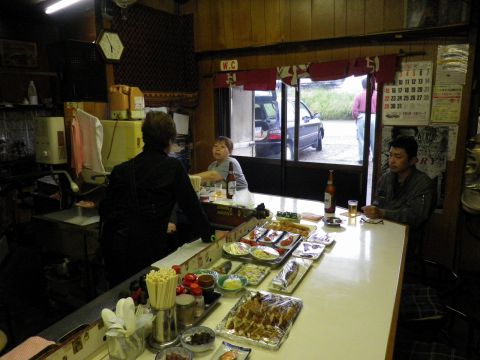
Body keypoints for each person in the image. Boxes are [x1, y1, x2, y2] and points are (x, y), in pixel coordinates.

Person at [99, 111, 214, 286]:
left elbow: (105, 209)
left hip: (117, 250)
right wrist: (210, 237)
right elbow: (192, 209)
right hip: (149, 252)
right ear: (170, 140)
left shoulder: (121, 169)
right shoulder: (173, 167)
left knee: (121, 304)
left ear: (144, 137)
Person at [362, 136, 435, 255]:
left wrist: (382, 213)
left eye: (398, 157)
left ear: (413, 160)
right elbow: (378, 203)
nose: (392, 160)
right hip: (383, 230)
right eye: (390, 155)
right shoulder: (386, 178)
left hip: (407, 236)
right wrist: (372, 210)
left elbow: (415, 217)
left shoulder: (424, 184)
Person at [352, 77, 377, 164]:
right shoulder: (377, 94)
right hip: (374, 117)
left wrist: (356, 118)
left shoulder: (358, 95)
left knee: (362, 138)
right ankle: (375, 157)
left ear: (362, 85)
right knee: (374, 138)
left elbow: (354, 110)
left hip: (362, 117)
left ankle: (362, 158)